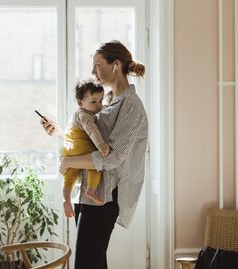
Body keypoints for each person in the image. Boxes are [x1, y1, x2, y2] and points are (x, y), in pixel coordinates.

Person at [41, 40, 148, 269]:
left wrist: (68, 161)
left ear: (116, 65)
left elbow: (111, 158)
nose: (93, 71)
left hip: (105, 198)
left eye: (97, 65)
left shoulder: (131, 106)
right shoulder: (108, 101)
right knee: (95, 264)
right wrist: (59, 132)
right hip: (89, 195)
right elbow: (90, 142)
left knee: (86, 265)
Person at [61, 79, 110, 218]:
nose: (99, 105)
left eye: (101, 101)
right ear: (80, 102)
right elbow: (92, 130)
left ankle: (66, 199)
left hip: (68, 150)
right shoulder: (85, 115)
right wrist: (101, 145)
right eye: (93, 102)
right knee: (95, 165)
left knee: (68, 177)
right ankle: (91, 190)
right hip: (82, 148)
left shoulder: (76, 114)